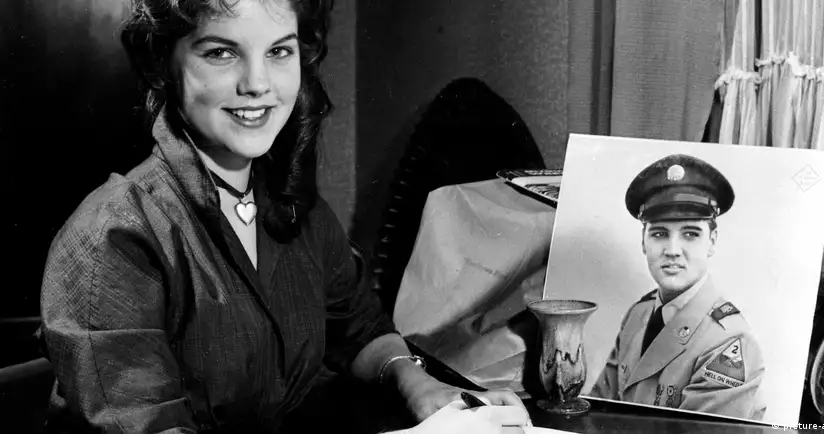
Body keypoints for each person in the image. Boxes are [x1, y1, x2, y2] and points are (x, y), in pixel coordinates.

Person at [36, 0, 529, 433]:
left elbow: (360, 328)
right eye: (220, 52)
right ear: (166, 62)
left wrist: (418, 383)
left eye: (278, 51)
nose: (257, 85)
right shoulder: (113, 239)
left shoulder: (295, 209)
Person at [588, 154, 766, 420]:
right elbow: (599, 408)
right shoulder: (638, 314)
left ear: (712, 241)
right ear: (643, 241)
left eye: (690, 234)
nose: (672, 250)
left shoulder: (728, 343)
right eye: (659, 234)